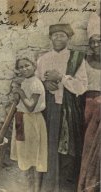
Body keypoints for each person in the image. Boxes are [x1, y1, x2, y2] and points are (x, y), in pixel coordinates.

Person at [36, 24, 88, 191]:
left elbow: (81, 87)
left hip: (70, 110)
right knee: (49, 147)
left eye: (62, 35)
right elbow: (35, 82)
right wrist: (44, 83)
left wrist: (61, 78)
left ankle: (66, 188)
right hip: (49, 110)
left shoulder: (77, 58)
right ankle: (49, 187)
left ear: (69, 38)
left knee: (69, 149)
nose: (58, 38)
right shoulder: (43, 59)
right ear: (50, 38)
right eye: (55, 35)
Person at [11, 57, 47, 192]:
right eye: (20, 67)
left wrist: (20, 92)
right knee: (24, 154)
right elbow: (19, 102)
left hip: (32, 121)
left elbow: (31, 106)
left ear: (34, 66)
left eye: (27, 66)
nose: (24, 69)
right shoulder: (25, 81)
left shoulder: (36, 83)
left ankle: (36, 189)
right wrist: (16, 92)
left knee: (34, 156)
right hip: (21, 119)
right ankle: (28, 188)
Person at [78, 11, 100, 192]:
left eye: (99, 41)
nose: (96, 44)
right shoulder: (85, 60)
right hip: (87, 104)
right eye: (92, 41)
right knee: (88, 144)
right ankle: (85, 184)